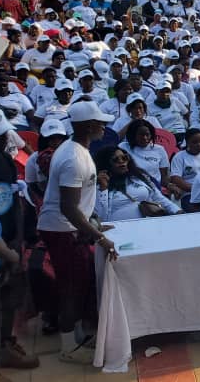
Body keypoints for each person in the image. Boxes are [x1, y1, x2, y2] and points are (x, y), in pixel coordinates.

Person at [37, 101, 118, 365]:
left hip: (72, 228)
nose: (104, 127)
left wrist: (93, 225)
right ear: (87, 125)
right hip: (63, 230)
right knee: (71, 287)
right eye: (100, 123)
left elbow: (80, 203)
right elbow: (69, 208)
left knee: (80, 283)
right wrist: (99, 237)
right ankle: (68, 346)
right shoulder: (73, 158)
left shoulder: (78, 149)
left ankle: (79, 336)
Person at [0, 108, 39, 374]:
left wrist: (17, 240)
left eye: (3, 133)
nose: (1, 138)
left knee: (10, 297)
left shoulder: (4, 160)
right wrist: (1, 251)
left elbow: (11, 200)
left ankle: (5, 344)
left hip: (8, 237)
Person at [93, 147, 181, 221]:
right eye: (115, 160)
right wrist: (103, 188)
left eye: (124, 158)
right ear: (105, 163)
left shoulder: (139, 176)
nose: (121, 161)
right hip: (117, 230)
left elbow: (158, 197)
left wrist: (177, 211)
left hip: (148, 224)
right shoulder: (98, 185)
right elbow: (100, 217)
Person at [119, 119, 169, 187]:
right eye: (141, 135)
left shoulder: (159, 149)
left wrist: (168, 186)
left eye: (147, 134)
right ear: (133, 135)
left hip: (154, 187)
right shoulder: (123, 147)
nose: (145, 138)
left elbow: (164, 176)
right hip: (131, 186)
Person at [168, 128, 200, 198]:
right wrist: (196, 189)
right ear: (187, 142)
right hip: (189, 193)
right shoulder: (179, 157)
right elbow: (176, 178)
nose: (199, 144)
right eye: (195, 142)